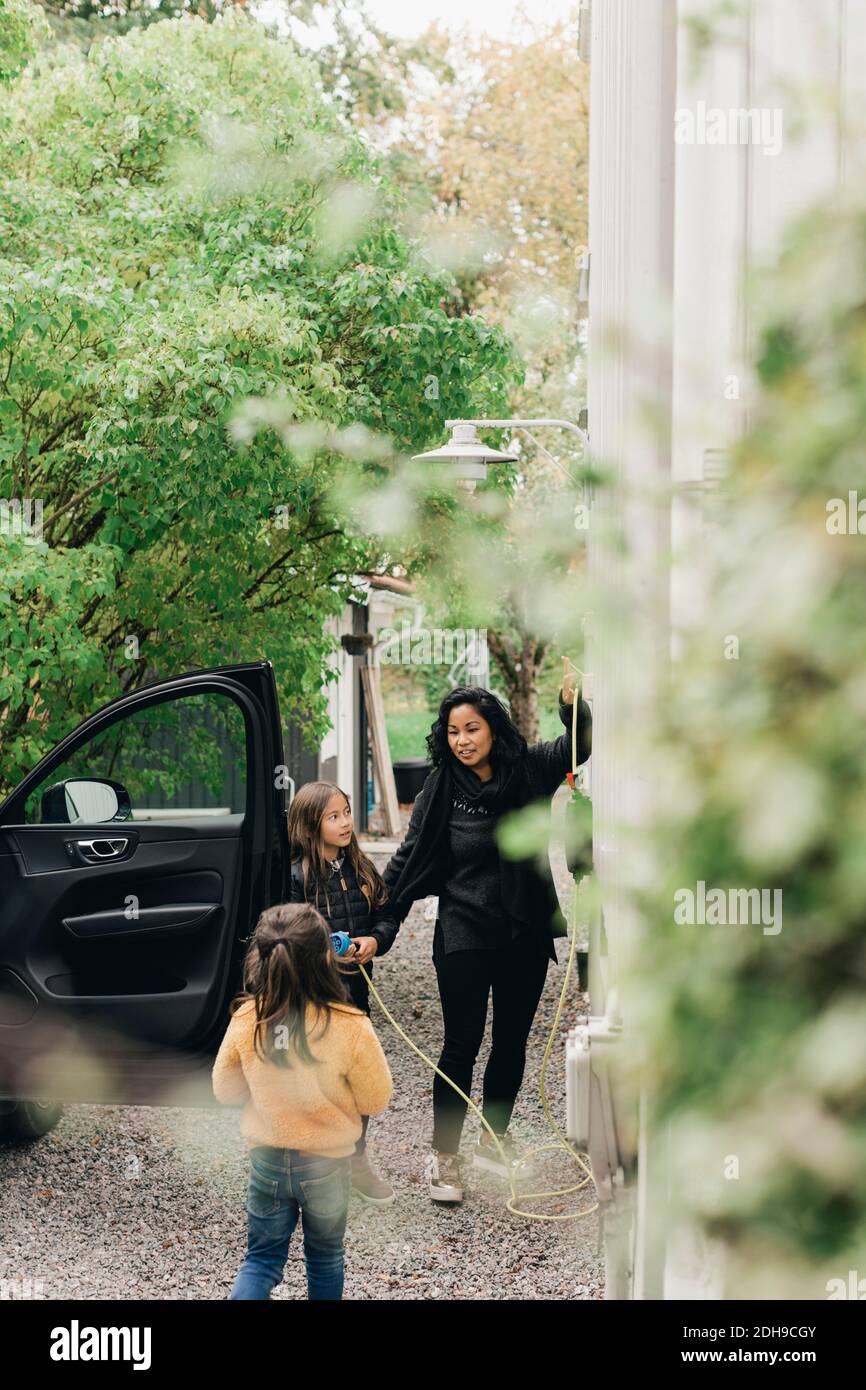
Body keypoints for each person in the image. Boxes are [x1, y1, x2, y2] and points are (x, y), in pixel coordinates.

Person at [382, 665, 591, 1204]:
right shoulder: (439, 788)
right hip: (463, 933)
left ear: (493, 728)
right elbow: (407, 860)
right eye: (453, 732)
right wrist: (377, 926)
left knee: (512, 1043)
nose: (462, 741)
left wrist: (571, 704)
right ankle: (444, 1156)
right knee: (461, 1046)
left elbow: (580, 745)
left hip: (523, 932)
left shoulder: (529, 770)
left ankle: (493, 1138)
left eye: (471, 729)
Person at [212, 901, 393, 1300]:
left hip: (267, 1160)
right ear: (325, 958)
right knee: (325, 1257)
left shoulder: (248, 1019)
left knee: (260, 1261)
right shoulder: (350, 1026)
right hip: (327, 1164)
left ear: (261, 958)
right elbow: (375, 1098)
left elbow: (224, 1089)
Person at [287, 781, 399, 1204]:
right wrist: (325, 956)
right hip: (314, 1000)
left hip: (356, 996)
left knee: (360, 1081)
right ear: (310, 825)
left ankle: (355, 1160)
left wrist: (374, 942)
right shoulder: (297, 877)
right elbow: (288, 934)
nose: (345, 822)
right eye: (334, 816)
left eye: (347, 812)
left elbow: (386, 915)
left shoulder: (362, 868)